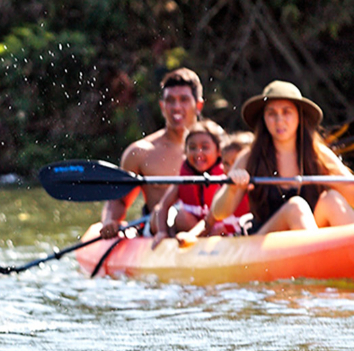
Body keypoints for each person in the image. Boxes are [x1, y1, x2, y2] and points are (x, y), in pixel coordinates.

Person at [212, 81, 354, 234]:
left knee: (332, 199)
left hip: (308, 239)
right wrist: (232, 189)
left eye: (286, 112)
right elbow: (218, 213)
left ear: (299, 116)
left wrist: (337, 182)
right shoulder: (250, 157)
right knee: (296, 207)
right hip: (264, 242)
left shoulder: (318, 155)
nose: (279, 120)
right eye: (272, 113)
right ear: (264, 118)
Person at [100, 68, 210, 237]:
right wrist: (109, 221)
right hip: (159, 232)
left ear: (199, 105)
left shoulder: (219, 148)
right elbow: (119, 200)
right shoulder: (140, 152)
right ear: (162, 106)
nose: (176, 107)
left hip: (206, 231)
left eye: (184, 100)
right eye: (170, 100)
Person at [150, 123, 248, 243]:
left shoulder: (225, 178)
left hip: (227, 232)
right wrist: (162, 232)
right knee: (178, 217)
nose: (198, 153)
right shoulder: (184, 179)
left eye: (205, 147)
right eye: (192, 148)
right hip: (200, 230)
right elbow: (162, 206)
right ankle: (171, 242)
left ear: (218, 152)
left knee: (219, 229)